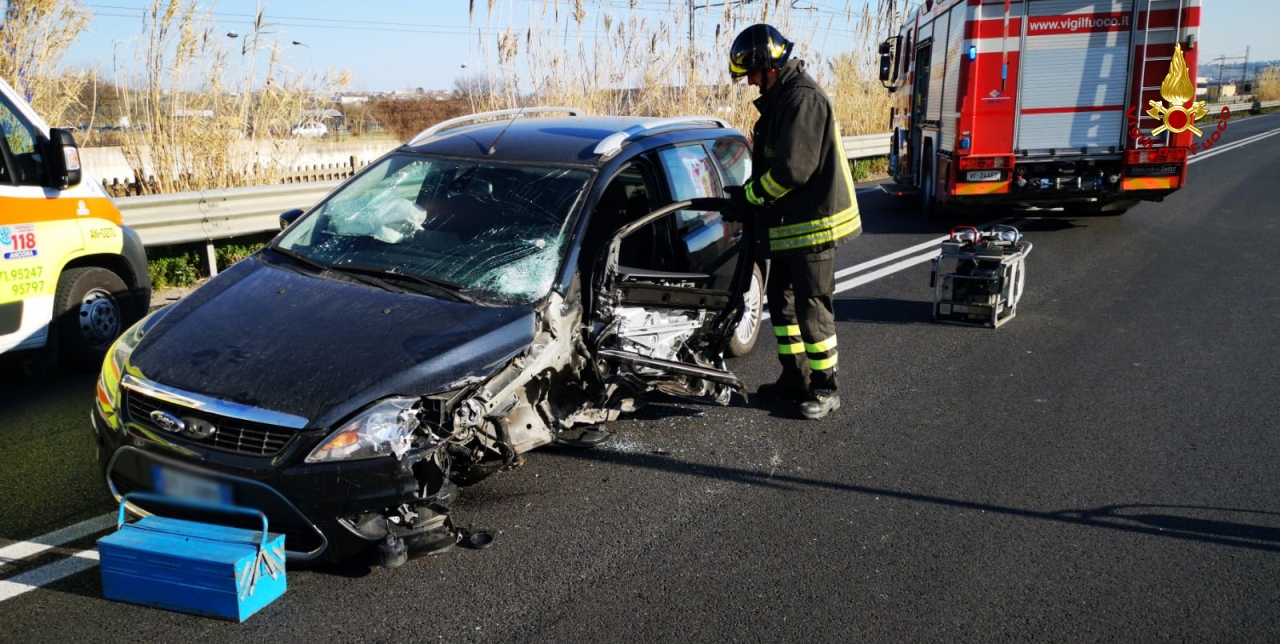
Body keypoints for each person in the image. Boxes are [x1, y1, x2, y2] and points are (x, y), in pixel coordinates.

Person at [726, 23, 862, 420]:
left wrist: (750, 196)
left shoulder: (803, 99)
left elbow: (792, 171)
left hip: (813, 227)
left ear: (768, 64)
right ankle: (795, 379)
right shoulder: (783, 97)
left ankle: (826, 388)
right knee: (783, 305)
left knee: (812, 308)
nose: (751, 81)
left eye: (752, 72)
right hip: (789, 226)